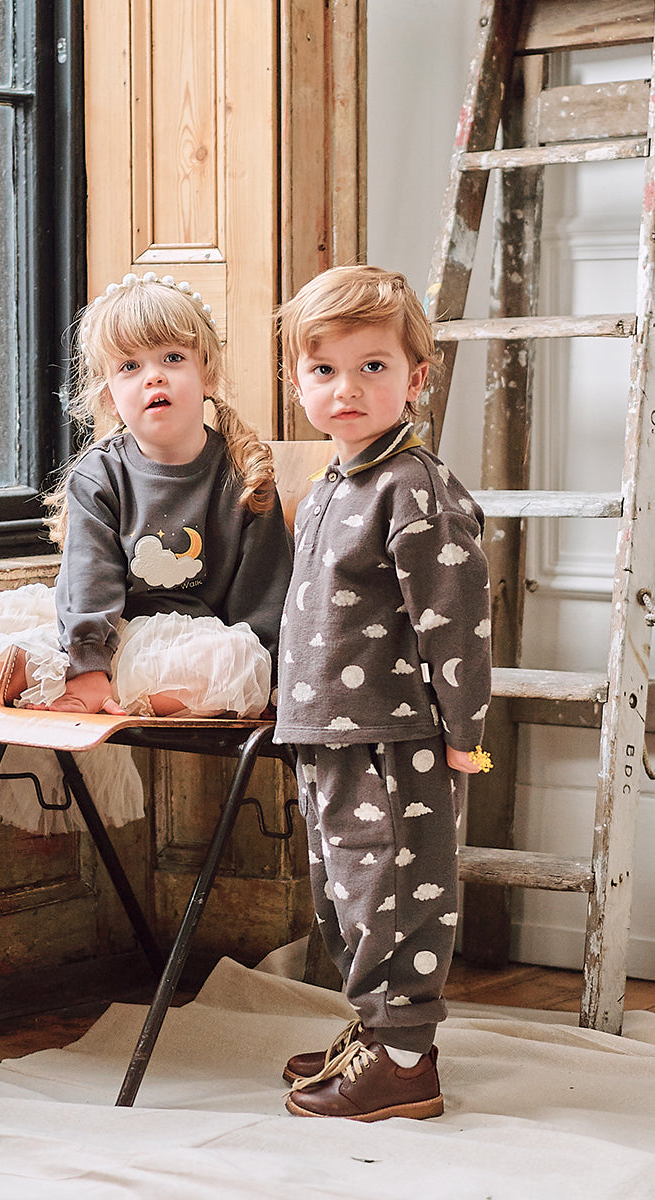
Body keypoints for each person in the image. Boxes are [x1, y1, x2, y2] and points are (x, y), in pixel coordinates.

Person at [0, 272, 293, 897]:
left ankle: (80, 690)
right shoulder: (101, 473)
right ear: (108, 393)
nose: (153, 377)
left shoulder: (243, 475)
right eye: (130, 367)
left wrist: (269, 674)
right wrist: (88, 664)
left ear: (207, 371)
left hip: (191, 639)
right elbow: (88, 581)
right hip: (101, 626)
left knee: (229, 664)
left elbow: (268, 595)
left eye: (172, 359)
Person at [273, 265, 491, 1122]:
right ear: (297, 380)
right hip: (328, 730)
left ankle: (404, 1063)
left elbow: (456, 621)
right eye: (324, 370)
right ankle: (376, 1028)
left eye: (373, 367)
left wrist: (464, 730)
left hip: (393, 734)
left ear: (416, 377)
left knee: (394, 896)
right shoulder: (332, 485)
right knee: (348, 894)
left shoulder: (413, 486)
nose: (348, 388)